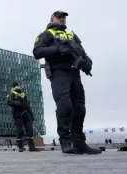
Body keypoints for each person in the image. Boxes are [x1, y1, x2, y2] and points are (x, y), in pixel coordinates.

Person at [32, 10, 102, 154]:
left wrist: (87, 62)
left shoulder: (71, 34)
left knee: (79, 108)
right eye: (59, 17)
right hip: (59, 73)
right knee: (64, 105)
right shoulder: (47, 34)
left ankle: (79, 143)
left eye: (64, 17)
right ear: (52, 19)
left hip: (74, 73)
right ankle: (66, 142)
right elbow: (37, 52)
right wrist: (58, 48)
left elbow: (81, 51)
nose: (62, 19)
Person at [7, 81, 39, 152]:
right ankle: (20, 147)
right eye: (17, 85)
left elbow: (28, 105)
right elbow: (9, 102)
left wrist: (32, 116)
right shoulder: (12, 93)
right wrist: (19, 103)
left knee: (30, 130)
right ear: (14, 87)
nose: (19, 86)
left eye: (19, 85)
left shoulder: (23, 94)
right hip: (18, 114)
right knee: (20, 130)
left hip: (26, 114)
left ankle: (31, 147)